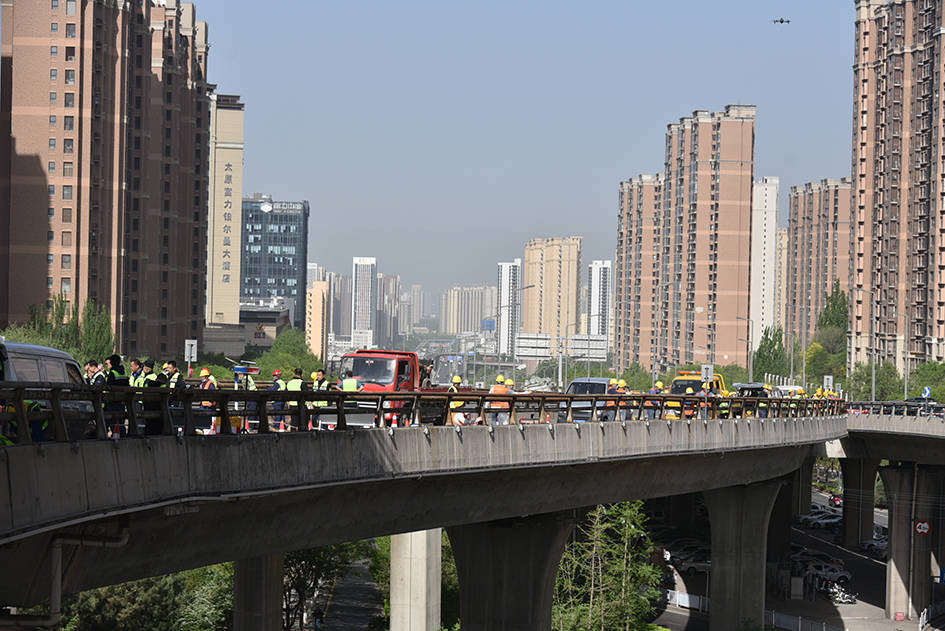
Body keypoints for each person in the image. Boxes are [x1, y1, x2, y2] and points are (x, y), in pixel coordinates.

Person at [199, 368, 219, 433]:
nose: (201, 378)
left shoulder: (210, 384)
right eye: (201, 376)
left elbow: (214, 394)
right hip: (203, 405)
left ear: (206, 376)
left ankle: (209, 431)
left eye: (202, 376)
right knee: (202, 418)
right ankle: (203, 429)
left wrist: (211, 402)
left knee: (210, 420)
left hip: (210, 406)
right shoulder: (202, 384)